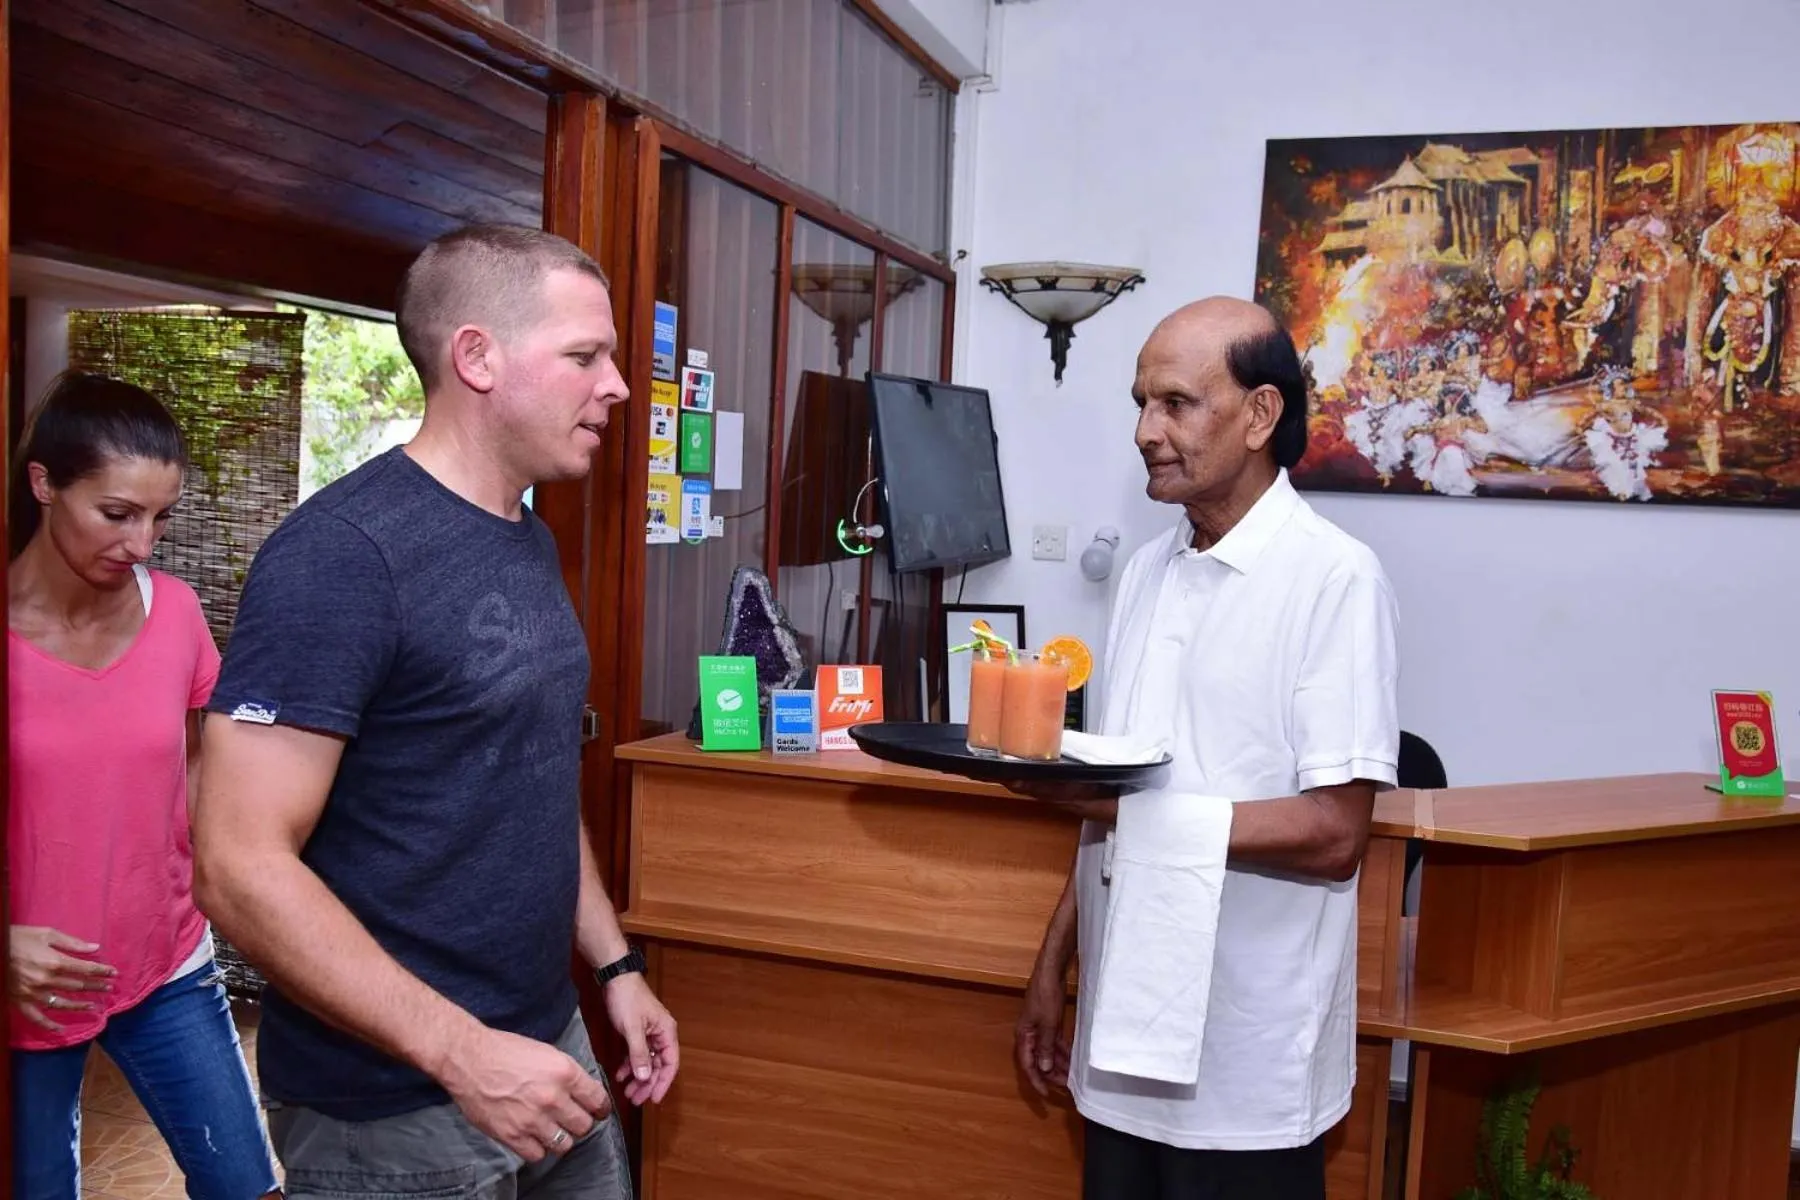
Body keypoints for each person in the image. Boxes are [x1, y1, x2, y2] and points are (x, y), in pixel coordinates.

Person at [194, 224, 679, 1199]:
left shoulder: (525, 536)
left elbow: (531, 778)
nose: (619, 386)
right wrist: (463, 1052)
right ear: (477, 358)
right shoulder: (342, 555)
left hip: (546, 1051)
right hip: (395, 1106)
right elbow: (235, 867)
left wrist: (614, 965)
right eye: (585, 356)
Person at [1014, 298, 1400, 1200]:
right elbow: (1116, 793)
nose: (1145, 432)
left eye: (1176, 404)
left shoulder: (1335, 579)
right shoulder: (1147, 573)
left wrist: (1115, 806)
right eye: (1141, 404)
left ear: (1260, 414)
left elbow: (1335, 834)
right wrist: (1055, 961)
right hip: (1120, 1036)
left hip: (1246, 1057)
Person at [8, 373, 279, 1200]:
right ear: (44, 483)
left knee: (246, 1186)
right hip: (28, 988)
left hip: (167, 965)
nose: (142, 544)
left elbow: (199, 767)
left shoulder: (177, 613)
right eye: (118, 513)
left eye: (160, 517)